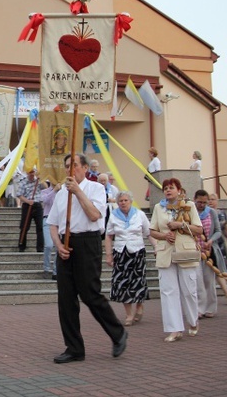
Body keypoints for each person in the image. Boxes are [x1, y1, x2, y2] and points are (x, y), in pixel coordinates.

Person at [48, 153, 127, 363]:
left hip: (87, 242)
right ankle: (74, 348)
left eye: (73, 165)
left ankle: (117, 333)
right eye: (66, 166)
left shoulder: (96, 188)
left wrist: (78, 191)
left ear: (84, 168)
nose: (69, 170)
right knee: (66, 299)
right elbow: (53, 225)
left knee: (90, 293)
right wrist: (58, 246)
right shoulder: (61, 193)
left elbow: (94, 215)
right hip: (66, 244)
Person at [149, 177, 203, 342]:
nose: (168, 190)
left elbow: (199, 229)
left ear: (179, 190)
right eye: (165, 188)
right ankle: (175, 329)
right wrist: (165, 235)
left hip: (185, 251)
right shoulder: (159, 207)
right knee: (168, 291)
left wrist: (180, 226)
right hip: (166, 252)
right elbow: (152, 230)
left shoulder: (188, 206)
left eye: (171, 187)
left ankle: (193, 321)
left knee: (189, 290)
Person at [104, 190, 151, 326]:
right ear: (117, 203)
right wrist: (109, 255)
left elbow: (148, 232)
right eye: (120, 201)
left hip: (137, 251)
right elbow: (108, 236)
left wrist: (157, 247)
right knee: (122, 282)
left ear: (130, 201)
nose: (123, 203)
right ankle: (129, 314)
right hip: (120, 252)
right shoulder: (113, 216)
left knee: (139, 280)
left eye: (125, 200)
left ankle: (139, 305)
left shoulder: (140, 214)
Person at [193, 189, 227, 319]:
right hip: (196, 251)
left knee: (209, 280)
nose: (202, 204)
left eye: (204, 202)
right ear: (195, 199)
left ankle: (211, 307)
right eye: (199, 202)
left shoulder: (212, 213)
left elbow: (218, 230)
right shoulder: (191, 212)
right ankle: (199, 308)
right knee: (198, 281)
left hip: (208, 251)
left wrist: (211, 240)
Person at [17, 168, 46, 252]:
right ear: (27, 173)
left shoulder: (38, 181)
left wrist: (41, 178)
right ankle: (21, 246)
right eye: (30, 173)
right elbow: (19, 195)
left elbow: (45, 187)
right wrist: (27, 201)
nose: (32, 174)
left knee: (40, 227)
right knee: (24, 226)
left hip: (37, 205)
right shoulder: (23, 182)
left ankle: (40, 248)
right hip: (27, 205)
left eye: (33, 172)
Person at [208, 194, 227, 276]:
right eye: (209, 199)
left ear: (217, 201)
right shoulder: (205, 213)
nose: (210, 201)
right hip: (208, 243)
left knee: (222, 266)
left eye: (213, 199)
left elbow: (226, 230)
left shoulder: (222, 213)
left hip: (220, 243)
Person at [40, 180, 61, 279]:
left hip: (59, 221)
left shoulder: (63, 192)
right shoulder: (45, 191)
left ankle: (56, 271)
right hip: (48, 220)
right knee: (48, 245)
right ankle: (46, 268)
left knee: (58, 247)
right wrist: (54, 191)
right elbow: (45, 201)